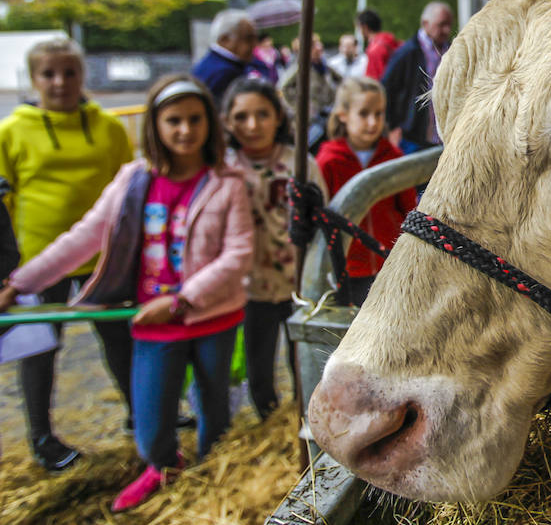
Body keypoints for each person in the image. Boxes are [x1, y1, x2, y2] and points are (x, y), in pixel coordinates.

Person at [0, 74, 253, 511]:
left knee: (213, 405)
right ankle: (161, 466)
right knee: (151, 424)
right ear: (153, 124)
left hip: (213, 316)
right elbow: (83, 237)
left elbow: (238, 253)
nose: (185, 130)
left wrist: (180, 300)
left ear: (210, 124)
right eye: (173, 120)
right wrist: (20, 283)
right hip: (151, 323)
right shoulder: (132, 180)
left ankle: (214, 473)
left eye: (196, 120)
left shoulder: (227, 182)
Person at [0, 38, 134, 471]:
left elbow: (128, 191)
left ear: (82, 75)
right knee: (40, 348)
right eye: (49, 74)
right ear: (34, 78)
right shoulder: (11, 131)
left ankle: (142, 413)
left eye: (69, 72)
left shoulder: (110, 128)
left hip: (105, 257)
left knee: (121, 339)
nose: (60, 82)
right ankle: (42, 437)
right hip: (38, 261)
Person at [221, 76, 329, 419]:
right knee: (258, 361)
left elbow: (323, 220)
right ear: (227, 121)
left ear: (278, 117)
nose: (252, 126)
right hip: (249, 289)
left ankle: (304, 416)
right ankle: (268, 416)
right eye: (241, 117)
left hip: (297, 283)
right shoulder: (224, 168)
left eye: (262, 114)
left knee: (303, 360)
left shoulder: (300, 163)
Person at [315, 77, 417, 306]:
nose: (372, 122)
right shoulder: (328, 162)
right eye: (363, 114)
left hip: (389, 263)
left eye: (379, 114)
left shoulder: (394, 158)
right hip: (347, 269)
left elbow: (408, 208)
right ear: (343, 114)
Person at [381, 1, 454, 153]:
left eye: (449, 25)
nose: (447, 30)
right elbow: (386, 89)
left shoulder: (452, 49)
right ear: (425, 24)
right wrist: (393, 126)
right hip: (413, 138)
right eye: (441, 25)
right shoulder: (407, 53)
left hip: (445, 137)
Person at [279, 33, 341, 154]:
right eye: (314, 46)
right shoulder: (301, 67)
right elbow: (284, 88)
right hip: (310, 122)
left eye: (318, 44)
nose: (319, 47)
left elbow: (342, 80)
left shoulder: (324, 65)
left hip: (326, 115)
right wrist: (299, 107)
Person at [191, 9, 258, 105]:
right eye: (248, 38)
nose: (255, 44)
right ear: (224, 40)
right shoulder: (225, 73)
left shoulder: (210, 63)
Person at [356, 9, 400, 80]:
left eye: (358, 28)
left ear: (364, 27)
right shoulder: (390, 39)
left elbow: (374, 81)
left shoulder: (374, 49)